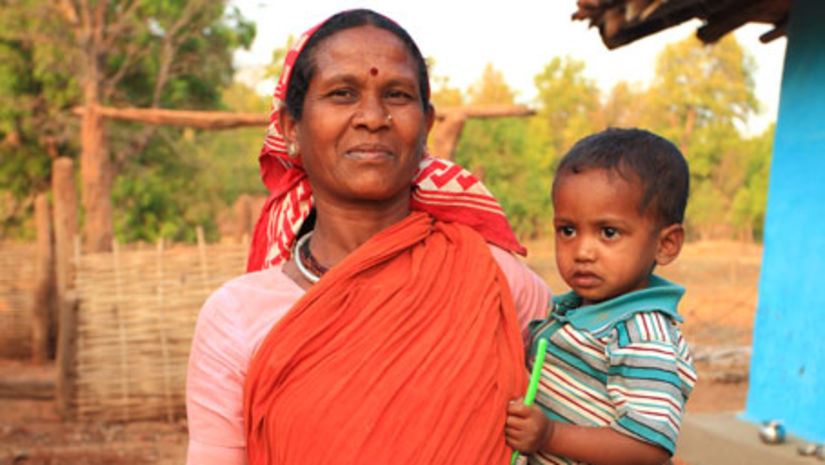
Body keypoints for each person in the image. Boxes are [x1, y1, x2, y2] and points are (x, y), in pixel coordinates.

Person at [185, 9, 550, 465]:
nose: (373, 117)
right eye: (342, 94)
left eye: (396, 95)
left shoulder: (495, 280)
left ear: (427, 126)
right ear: (290, 128)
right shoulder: (237, 316)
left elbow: (585, 423)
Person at [504, 128, 698, 465]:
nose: (582, 251)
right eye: (567, 230)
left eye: (608, 233)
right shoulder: (574, 310)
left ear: (665, 244)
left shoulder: (641, 335)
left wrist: (550, 435)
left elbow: (648, 447)